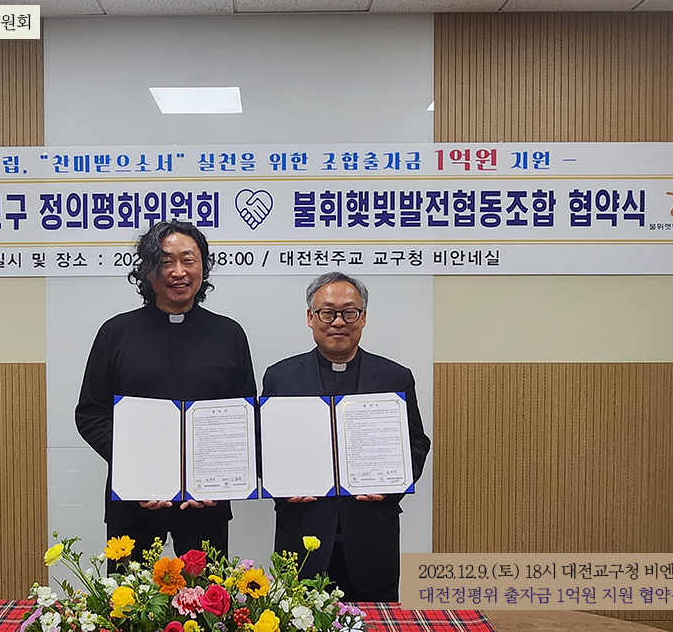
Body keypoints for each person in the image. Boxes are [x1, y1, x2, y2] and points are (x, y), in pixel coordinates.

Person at [76, 221, 256, 565]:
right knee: (129, 597)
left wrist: (219, 480)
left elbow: (244, 417)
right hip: (134, 502)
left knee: (209, 597)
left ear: (203, 266)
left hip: (206, 504)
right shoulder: (116, 333)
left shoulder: (229, 334)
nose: (178, 271)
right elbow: (91, 414)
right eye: (165, 261)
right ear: (147, 270)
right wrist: (136, 468)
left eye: (188, 260)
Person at [262, 271, 431, 602]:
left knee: (375, 622)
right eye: (327, 312)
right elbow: (261, 445)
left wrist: (392, 484)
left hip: (372, 536)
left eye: (349, 312)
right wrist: (280, 486)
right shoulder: (281, 377)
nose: (338, 322)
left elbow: (416, 443)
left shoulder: (394, 377)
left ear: (363, 317)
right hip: (302, 534)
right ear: (311, 317)